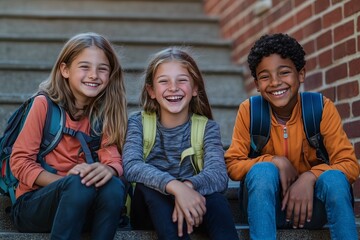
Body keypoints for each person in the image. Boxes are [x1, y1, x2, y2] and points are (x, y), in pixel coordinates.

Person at [225, 33, 360, 239]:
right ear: (256, 83)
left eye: (284, 72)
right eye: (265, 76)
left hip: (313, 208)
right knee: (262, 171)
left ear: (301, 74)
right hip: (267, 208)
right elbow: (233, 165)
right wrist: (275, 161)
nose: (275, 82)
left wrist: (309, 177)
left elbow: (349, 165)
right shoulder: (250, 111)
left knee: (334, 178)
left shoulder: (321, 108)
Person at [10, 32, 128, 240]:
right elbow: (19, 162)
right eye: (84, 67)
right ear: (65, 70)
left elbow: (114, 160)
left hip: (82, 204)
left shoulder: (104, 113)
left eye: (102, 69)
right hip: (34, 205)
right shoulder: (43, 105)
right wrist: (66, 183)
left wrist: (107, 168)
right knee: (78, 185)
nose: (94, 75)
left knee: (113, 185)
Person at [122, 47, 239, 240]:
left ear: (195, 89)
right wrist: (175, 187)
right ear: (151, 91)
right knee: (148, 189)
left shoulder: (208, 128)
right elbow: (132, 166)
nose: (173, 87)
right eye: (164, 81)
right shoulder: (138, 122)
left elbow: (219, 175)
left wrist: (188, 188)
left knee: (217, 201)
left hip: (193, 206)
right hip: (148, 209)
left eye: (182, 80)